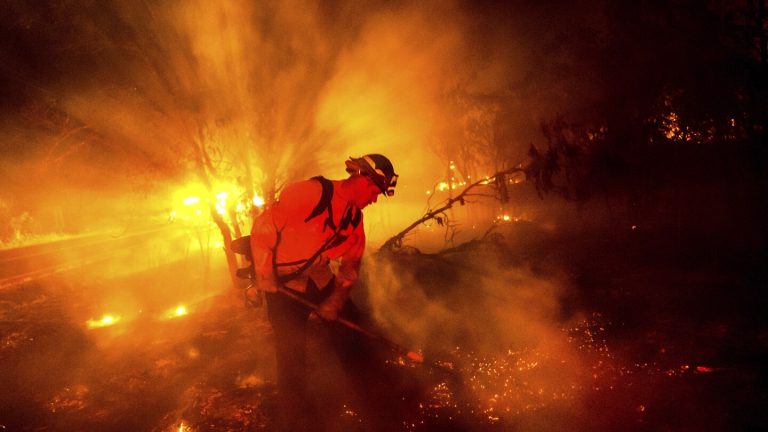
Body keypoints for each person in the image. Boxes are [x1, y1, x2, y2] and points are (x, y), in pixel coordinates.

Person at [247, 154, 398, 430]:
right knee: (290, 352)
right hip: (283, 285)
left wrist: (336, 300)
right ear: (363, 179)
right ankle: (296, 418)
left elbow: (351, 265)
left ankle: (373, 397)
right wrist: (265, 274)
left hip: (318, 278)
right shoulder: (310, 193)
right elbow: (262, 229)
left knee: (352, 330)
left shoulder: (354, 219)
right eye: (375, 191)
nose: (375, 200)